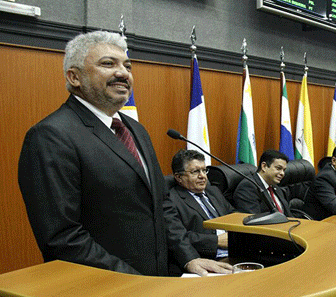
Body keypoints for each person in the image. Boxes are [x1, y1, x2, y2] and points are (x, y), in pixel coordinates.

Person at [18, 31, 231, 277]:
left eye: (127, 66)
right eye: (108, 64)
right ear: (74, 77)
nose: (123, 73)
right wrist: (131, 280)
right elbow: (62, 237)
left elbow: (161, 207)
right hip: (106, 291)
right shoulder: (51, 136)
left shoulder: (135, 130)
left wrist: (189, 258)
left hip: (157, 281)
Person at [163, 149, 234, 269]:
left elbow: (232, 213)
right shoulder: (171, 200)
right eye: (195, 171)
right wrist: (216, 241)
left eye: (204, 170)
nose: (202, 176)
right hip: (208, 259)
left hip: (235, 252)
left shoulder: (213, 191)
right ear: (179, 177)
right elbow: (179, 237)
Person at [233, 149, 292, 216]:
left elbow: (288, 215)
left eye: (284, 170)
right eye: (278, 168)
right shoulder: (248, 187)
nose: (282, 173)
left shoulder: (275, 187)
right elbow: (253, 219)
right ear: (264, 166)